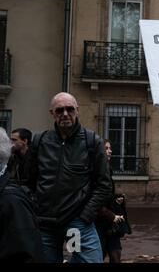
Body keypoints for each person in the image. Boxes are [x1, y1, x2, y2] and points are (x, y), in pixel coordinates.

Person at [25, 92, 112, 263]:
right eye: (60, 110)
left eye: (69, 109)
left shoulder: (91, 141)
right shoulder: (40, 141)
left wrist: (85, 215)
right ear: (52, 113)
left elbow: (104, 184)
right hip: (45, 224)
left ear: (77, 111)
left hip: (76, 224)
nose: (65, 114)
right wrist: (35, 208)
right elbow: (27, 182)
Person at [0, 127, 44, 262]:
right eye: (10, 140)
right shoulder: (14, 159)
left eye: (14, 140)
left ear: (25, 141)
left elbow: (25, 252)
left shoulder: (12, 201)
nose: (11, 143)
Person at [95, 139, 131, 263]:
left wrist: (116, 199)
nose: (110, 151)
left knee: (116, 254)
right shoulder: (94, 171)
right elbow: (95, 200)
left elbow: (106, 195)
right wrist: (111, 216)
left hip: (110, 222)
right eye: (106, 148)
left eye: (110, 148)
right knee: (98, 255)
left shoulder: (107, 169)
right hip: (99, 222)